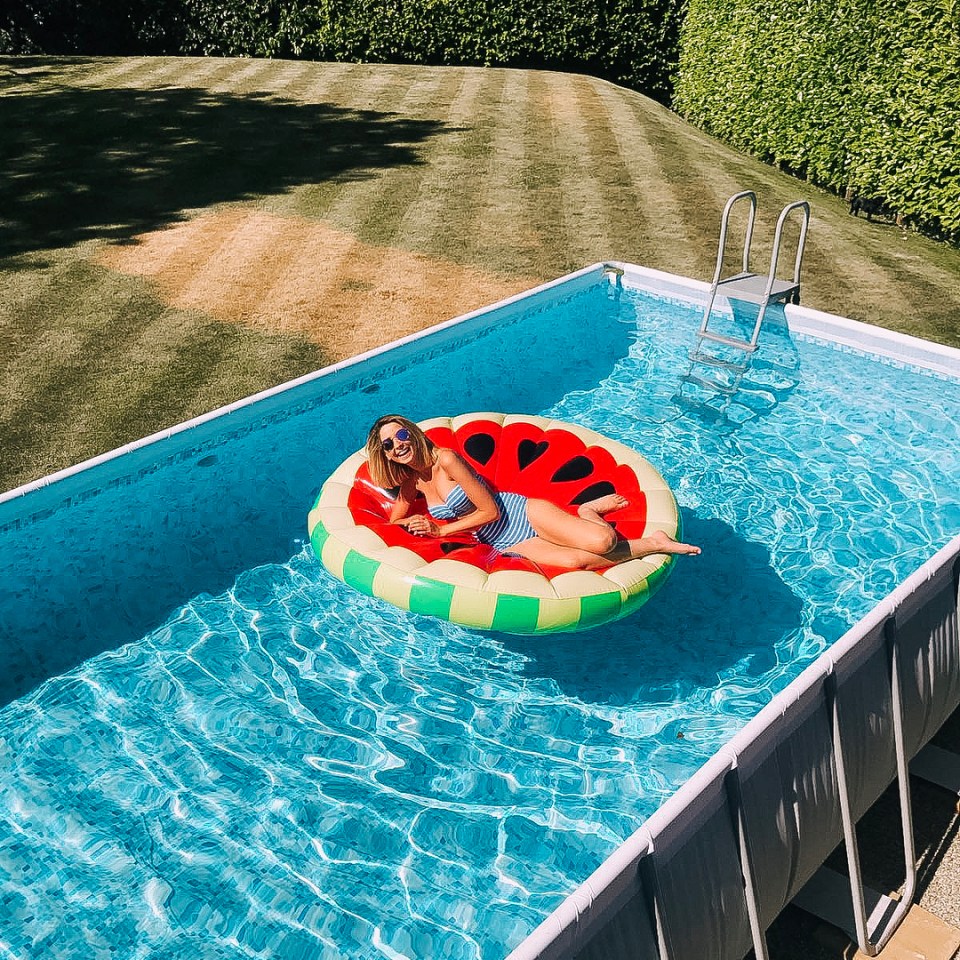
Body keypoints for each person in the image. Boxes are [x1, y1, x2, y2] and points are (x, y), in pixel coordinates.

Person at [365, 415, 700, 570]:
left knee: (603, 543)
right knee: (577, 561)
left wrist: (440, 529)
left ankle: (588, 511)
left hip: (519, 513)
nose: (398, 446)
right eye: (389, 445)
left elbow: (490, 512)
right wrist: (406, 525)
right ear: (386, 453)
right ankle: (655, 543)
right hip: (503, 540)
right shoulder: (410, 481)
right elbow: (395, 521)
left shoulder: (448, 460)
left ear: (413, 433)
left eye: (402, 437)